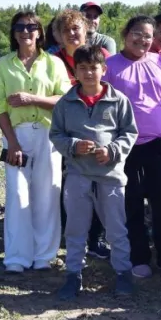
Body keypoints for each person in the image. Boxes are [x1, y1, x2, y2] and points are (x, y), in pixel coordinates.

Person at [104, 15, 161, 278]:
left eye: (148, 35)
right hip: (125, 146)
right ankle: (138, 256)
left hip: (160, 144)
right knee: (131, 203)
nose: (143, 40)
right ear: (125, 33)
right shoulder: (109, 66)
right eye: (137, 33)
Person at [51, 45, 138, 299]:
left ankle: (123, 274)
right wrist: (73, 146)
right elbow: (56, 134)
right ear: (75, 72)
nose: (89, 73)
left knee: (116, 229)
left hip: (110, 177)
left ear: (104, 70)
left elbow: (130, 133)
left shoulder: (118, 100)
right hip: (78, 176)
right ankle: (73, 275)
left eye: (93, 67)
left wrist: (111, 151)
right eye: (83, 68)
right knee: (76, 229)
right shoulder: (65, 103)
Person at [0, 12, 70, 273]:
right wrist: (11, 143)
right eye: (20, 27)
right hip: (16, 134)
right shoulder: (3, 64)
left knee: (47, 194)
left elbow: (64, 99)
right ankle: (17, 257)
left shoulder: (54, 63)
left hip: (49, 135)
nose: (26, 31)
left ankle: (44, 256)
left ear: (39, 32)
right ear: (14, 33)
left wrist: (32, 99)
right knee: (17, 195)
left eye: (31, 27)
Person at [50, 9, 110, 260]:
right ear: (59, 36)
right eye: (66, 30)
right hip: (66, 130)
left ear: (86, 30)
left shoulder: (102, 55)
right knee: (68, 186)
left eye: (76, 28)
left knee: (97, 185)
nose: (72, 34)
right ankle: (71, 235)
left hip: (98, 129)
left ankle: (96, 239)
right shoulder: (53, 59)